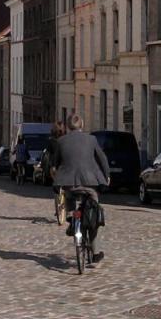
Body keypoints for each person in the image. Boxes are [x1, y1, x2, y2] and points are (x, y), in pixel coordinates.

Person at [51, 113, 110, 264]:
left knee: (70, 196)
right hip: (89, 182)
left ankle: (72, 218)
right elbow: (102, 158)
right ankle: (96, 253)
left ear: (69, 127)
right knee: (94, 213)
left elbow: (55, 163)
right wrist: (106, 175)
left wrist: (55, 173)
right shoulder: (91, 139)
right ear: (82, 125)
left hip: (69, 182)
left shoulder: (61, 141)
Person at [47, 120, 66, 225]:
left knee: (55, 186)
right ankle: (65, 201)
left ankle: (57, 200)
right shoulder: (65, 140)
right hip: (64, 166)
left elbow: (48, 154)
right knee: (66, 186)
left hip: (54, 167)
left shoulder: (51, 141)